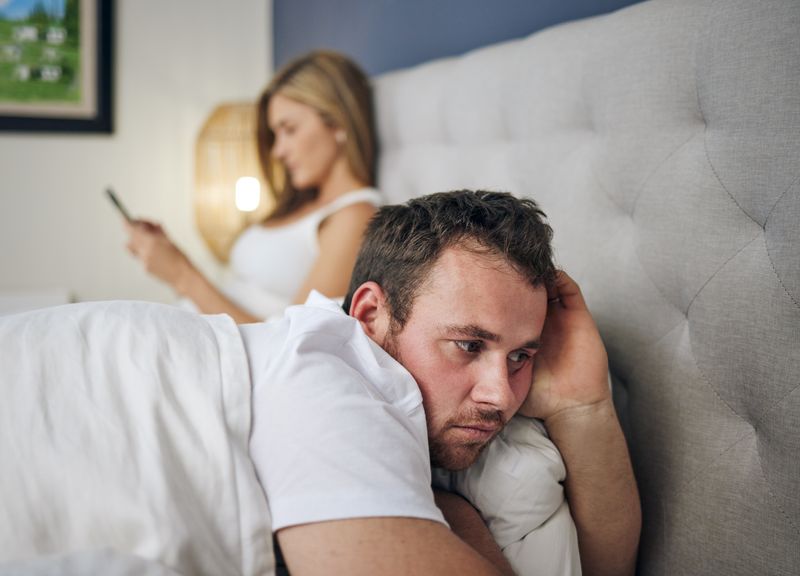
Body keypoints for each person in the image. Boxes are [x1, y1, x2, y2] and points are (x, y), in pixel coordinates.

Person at [246, 190, 641, 575]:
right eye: (468, 345)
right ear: (368, 314)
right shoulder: (322, 382)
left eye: (520, 356)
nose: (500, 395)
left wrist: (582, 406)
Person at [124, 51, 380, 323]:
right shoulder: (303, 205)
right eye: (275, 135)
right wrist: (171, 259)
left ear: (338, 123)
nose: (278, 151)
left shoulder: (356, 217)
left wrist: (181, 275)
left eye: (290, 129)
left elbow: (292, 345)